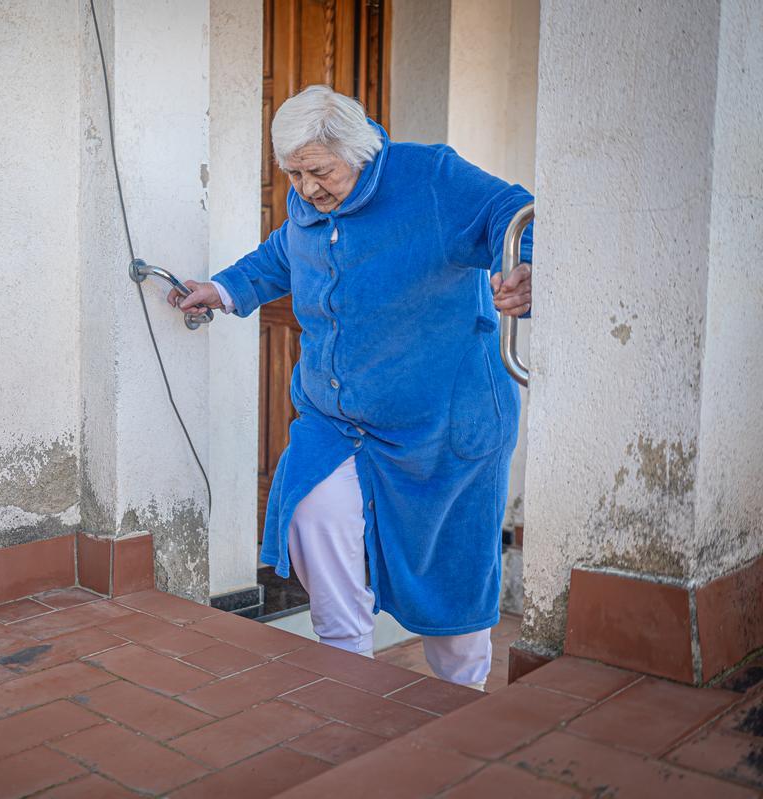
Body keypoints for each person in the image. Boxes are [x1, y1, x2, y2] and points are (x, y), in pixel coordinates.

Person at [170, 85, 532, 691]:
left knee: (452, 580)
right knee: (312, 514)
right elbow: (284, 256)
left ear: (358, 151)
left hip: (442, 426)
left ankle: (461, 701)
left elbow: (510, 211)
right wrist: (225, 289)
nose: (307, 187)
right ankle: (345, 675)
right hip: (338, 422)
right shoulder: (308, 204)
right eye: (293, 172)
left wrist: (525, 266)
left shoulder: (430, 177)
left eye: (319, 170)